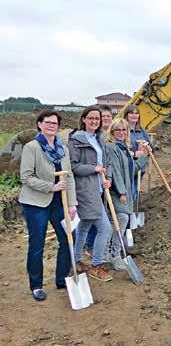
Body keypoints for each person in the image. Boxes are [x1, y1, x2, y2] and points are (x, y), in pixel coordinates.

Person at [19, 111, 77, 301]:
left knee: (69, 238)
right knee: (37, 244)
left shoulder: (63, 149)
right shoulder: (32, 147)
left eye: (55, 123)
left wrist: (72, 203)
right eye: (48, 122)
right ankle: (36, 285)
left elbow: (69, 177)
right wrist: (50, 187)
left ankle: (61, 279)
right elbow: (26, 177)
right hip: (36, 203)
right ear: (39, 124)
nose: (52, 125)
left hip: (59, 203)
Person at [68, 105, 113, 282]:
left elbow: (105, 163)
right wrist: (94, 169)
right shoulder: (76, 140)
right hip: (85, 190)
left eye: (97, 119)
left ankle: (76, 260)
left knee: (84, 227)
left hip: (98, 188)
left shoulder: (99, 139)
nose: (94, 121)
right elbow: (73, 166)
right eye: (91, 118)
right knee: (105, 228)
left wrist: (106, 177)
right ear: (84, 119)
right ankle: (96, 265)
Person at [105, 118, 150, 270]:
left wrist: (143, 155)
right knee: (121, 219)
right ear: (112, 131)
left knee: (119, 221)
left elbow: (133, 169)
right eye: (118, 130)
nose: (121, 133)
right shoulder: (111, 147)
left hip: (125, 190)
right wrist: (122, 192)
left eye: (124, 130)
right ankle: (114, 254)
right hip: (116, 192)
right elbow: (115, 171)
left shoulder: (124, 147)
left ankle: (110, 251)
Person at [85, 104, 114, 256]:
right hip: (92, 185)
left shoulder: (113, 134)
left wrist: (108, 177)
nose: (106, 119)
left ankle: (98, 244)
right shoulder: (96, 137)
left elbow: (108, 161)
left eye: (109, 116)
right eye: (103, 117)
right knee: (93, 218)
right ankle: (90, 246)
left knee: (102, 218)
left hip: (105, 183)